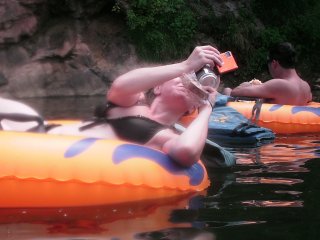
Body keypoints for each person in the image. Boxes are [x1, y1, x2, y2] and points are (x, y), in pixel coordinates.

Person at [47, 45, 223, 167]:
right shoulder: (134, 101)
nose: (188, 83)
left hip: (62, 163)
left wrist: (207, 107)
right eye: (184, 78)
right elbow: (120, 86)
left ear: (192, 108)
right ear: (158, 86)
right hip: (44, 139)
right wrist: (185, 66)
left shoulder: (168, 137)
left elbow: (187, 151)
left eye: (194, 83)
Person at [223, 42, 312, 105]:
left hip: (267, 128)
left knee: (227, 90)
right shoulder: (306, 87)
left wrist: (248, 85)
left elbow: (235, 92)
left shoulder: (279, 84)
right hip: (290, 127)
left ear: (274, 64)